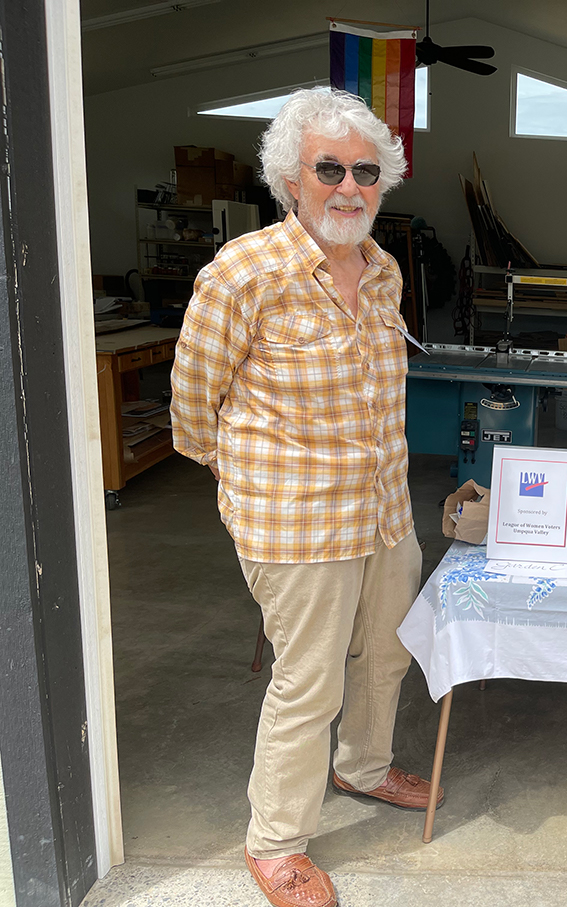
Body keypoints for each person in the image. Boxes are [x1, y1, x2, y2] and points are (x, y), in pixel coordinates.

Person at [171, 87, 440, 907]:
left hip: (385, 512)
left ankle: (363, 766)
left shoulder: (385, 272)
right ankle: (276, 842)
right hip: (297, 525)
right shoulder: (242, 272)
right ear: (292, 178)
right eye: (330, 169)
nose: (349, 187)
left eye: (366, 172)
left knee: (387, 652)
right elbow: (192, 408)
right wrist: (255, 485)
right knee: (309, 682)